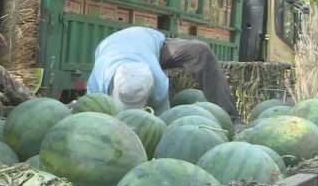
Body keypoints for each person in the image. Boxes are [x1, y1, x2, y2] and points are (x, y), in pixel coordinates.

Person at [87, 26, 240, 119]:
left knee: (200, 51)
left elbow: (161, 121)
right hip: (109, 46)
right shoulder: (97, 83)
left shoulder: (157, 79)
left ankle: (231, 118)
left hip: (154, 43)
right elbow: (93, 115)